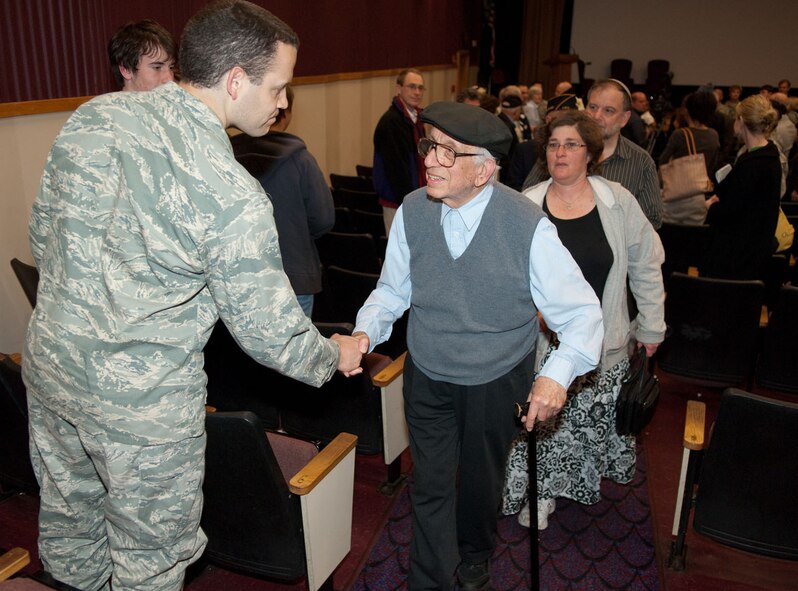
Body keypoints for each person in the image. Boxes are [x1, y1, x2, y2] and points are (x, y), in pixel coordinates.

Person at [23, 3, 364, 590]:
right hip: (142, 409)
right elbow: (270, 333)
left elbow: (42, 231)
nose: (283, 103)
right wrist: (333, 355)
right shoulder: (230, 190)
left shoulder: (95, 117)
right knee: (150, 560)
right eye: (279, 87)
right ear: (236, 80)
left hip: (53, 369)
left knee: (70, 530)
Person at [352, 101, 604, 591]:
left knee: (480, 478)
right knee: (430, 481)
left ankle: (475, 554)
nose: (429, 160)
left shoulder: (526, 224)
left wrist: (555, 375)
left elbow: (582, 314)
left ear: (484, 170)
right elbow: (391, 291)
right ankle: (430, 581)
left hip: (496, 374)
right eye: (429, 146)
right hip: (427, 368)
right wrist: (366, 332)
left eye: (448, 153)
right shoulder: (412, 210)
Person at [504, 110, 665, 531]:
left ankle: (572, 483)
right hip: (541, 342)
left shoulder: (618, 202)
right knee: (542, 425)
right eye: (553, 144)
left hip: (603, 341)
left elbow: (646, 266)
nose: (560, 152)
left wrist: (651, 326)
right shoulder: (527, 203)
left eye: (571, 144)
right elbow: (506, 272)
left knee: (583, 427)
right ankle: (539, 493)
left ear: (591, 154)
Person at [230, 85, 335, 317]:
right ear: (285, 113)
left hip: (242, 277)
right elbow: (324, 219)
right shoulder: (301, 160)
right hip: (295, 275)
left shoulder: (228, 156)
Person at [523, 79, 663, 229]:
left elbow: (652, 220)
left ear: (624, 118)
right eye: (593, 107)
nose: (597, 116)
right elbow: (526, 201)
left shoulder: (641, 162)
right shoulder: (559, 151)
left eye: (608, 110)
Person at [703, 95, 782, 280]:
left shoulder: (753, 164)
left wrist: (712, 207)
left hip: (737, 256)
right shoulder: (768, 157)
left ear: (741, 121)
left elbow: (732, 212)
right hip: (753, 251)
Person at [373, 68, 427, 234]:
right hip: (398, 204)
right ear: (398, 89)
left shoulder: (417, 118)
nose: (417, 92)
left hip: (413, 201)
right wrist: (411, 205)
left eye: (420, 88)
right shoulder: (391, 122)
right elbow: (396, 172)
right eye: (412, 87)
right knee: (399, 257)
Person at [658, 91, 720, 225]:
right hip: (698, 198)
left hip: (673, 198)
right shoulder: (713, 135)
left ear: (688, 110)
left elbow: (662, 162)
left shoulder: (680, 134)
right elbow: (712, 165)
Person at [107, 19, 176, 91]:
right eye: (157, 67)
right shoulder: (104, 102)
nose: (170, 79)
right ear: (126, 70)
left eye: (171, 67)